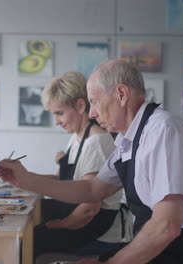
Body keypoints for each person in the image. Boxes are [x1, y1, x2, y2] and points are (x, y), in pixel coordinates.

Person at [0, 60, 183, 264]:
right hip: (159, 248)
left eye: (95, 102)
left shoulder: (162, 131)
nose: (91, 114)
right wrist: (27, 180)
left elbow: (166, 226)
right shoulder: (128, 140)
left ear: (121, 94)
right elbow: (92, 189)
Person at [32, 71, 129, 259]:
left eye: (59, 113)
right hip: (83, 218)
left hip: (100, 231)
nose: (56, 121)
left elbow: (89, 209)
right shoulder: (76, 138)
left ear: (80, 105)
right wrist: (22, 180)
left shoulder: (96, 141)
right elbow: (63, 180)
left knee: (32, 240)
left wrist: (57, 224)